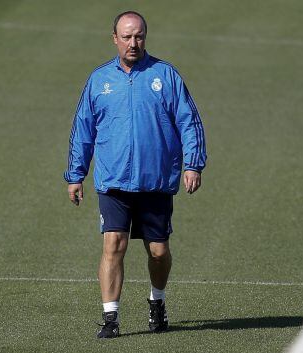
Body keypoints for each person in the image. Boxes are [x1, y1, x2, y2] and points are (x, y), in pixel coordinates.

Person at [64, 10, 207, 338]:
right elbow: (83, 130)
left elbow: (189, 121)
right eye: (126, 37)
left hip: (155, 180)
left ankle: (157, 302)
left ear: (146, 37)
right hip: (114, 181)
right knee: (113, 244)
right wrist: (75, 175)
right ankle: (110, 318)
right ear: (114, 38)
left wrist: (192, 165)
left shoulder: (165, 76)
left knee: (158, 251)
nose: (133, 43)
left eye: (139, 36)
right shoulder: (99, 80)